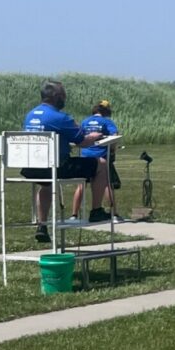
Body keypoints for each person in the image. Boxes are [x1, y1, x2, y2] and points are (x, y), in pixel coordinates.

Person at [21, 80, 108, 243]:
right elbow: (82, 141)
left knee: (46, 184)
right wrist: (94, 137)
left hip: (32, 167)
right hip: (56, 167)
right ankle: (96, 210)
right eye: (63, 95)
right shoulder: (60, 117)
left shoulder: (30, 115)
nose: (64, 99)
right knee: (101, 164)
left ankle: (42, 225)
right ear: (56, 97)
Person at [71, 100, 123, 222]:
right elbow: (114, 135)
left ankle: (74, 215)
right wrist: (113, 150)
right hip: (101, 157)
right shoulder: (106, 122)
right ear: (107, 111)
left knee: (81, 185)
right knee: (106, 185)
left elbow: (80, 135)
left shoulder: (85, 121)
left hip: (85, 157)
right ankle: (114, 214)